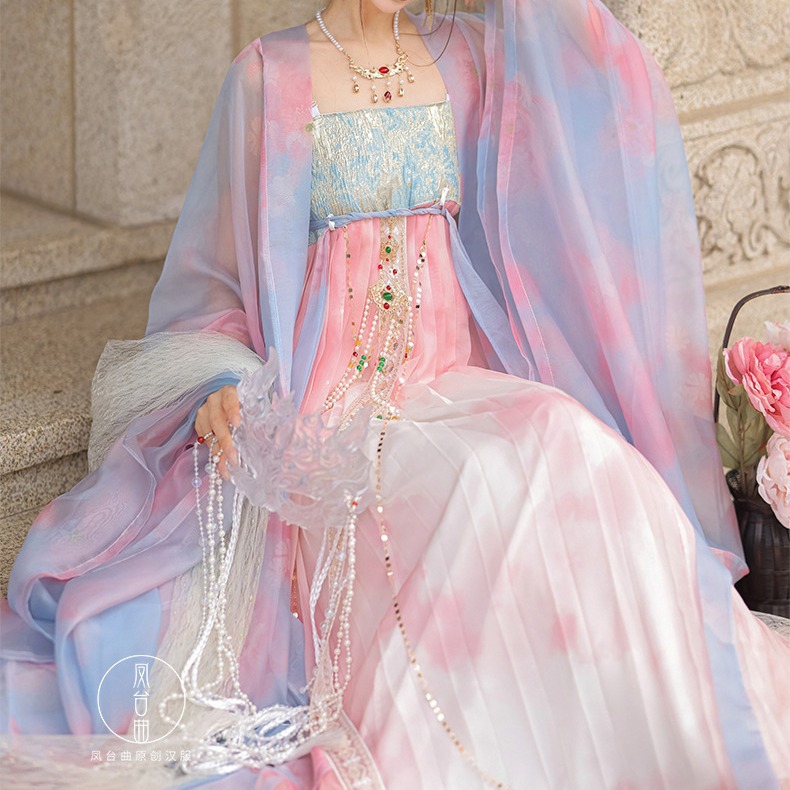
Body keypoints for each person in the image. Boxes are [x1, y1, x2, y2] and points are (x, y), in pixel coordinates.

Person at [1, 1, 788, 787]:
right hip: (334, 418)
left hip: (455, 388)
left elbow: (596, 87)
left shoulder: (465, 61)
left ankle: (679, 730)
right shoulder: (269, 78)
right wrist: (221, 382)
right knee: (481, 479)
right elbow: (214, 283)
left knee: (576, 444)